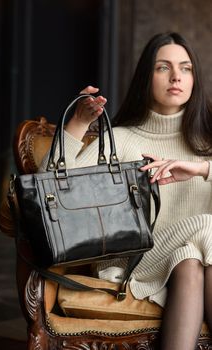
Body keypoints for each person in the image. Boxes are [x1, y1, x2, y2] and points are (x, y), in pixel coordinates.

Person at [39, 32, 212, 350]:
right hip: (139, 261)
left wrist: (202, 169)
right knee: (208, 226)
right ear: (146, 76)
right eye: (163, 67)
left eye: (186, 68)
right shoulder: (120, 139)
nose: (176, 76)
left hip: (192, 262)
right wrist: (76, 125)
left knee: (189, 257)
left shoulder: (208, 140)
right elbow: (48, 192)